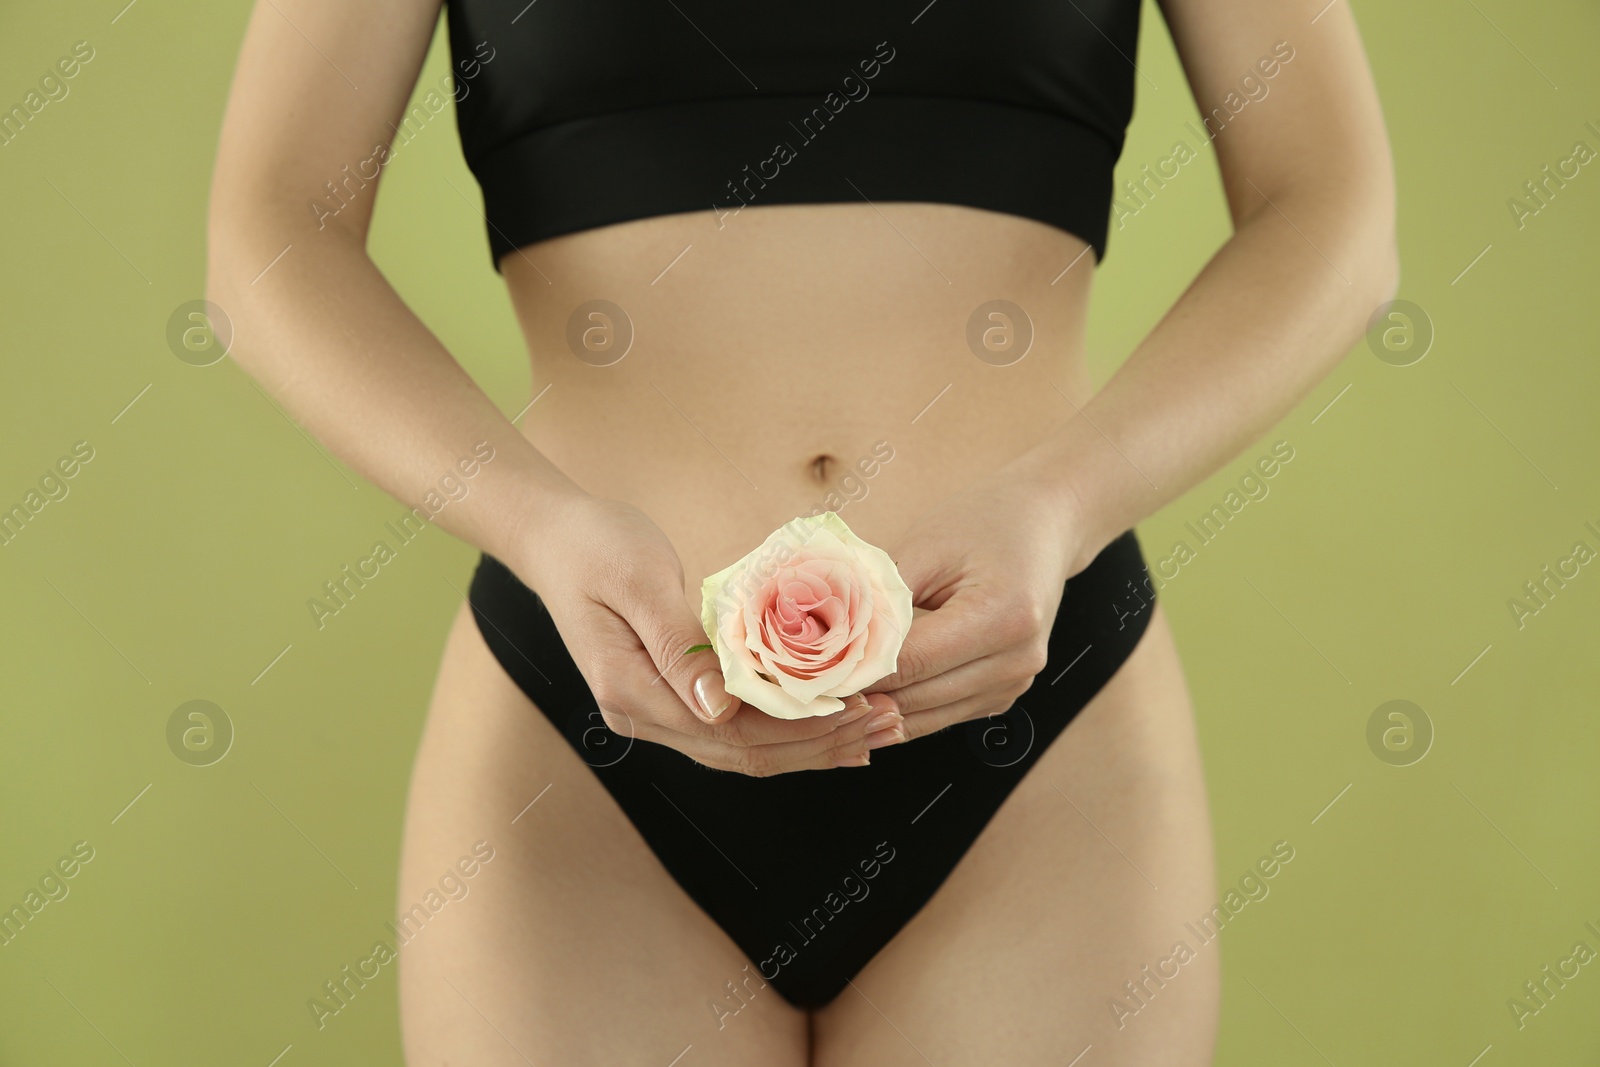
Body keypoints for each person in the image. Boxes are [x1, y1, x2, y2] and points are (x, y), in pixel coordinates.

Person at [207, 0, 1396, 1062]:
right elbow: (268, 233)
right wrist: (539, 524)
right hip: (587, 719)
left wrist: (1062, 502)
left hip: (1033, 717)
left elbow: (1335, 208)